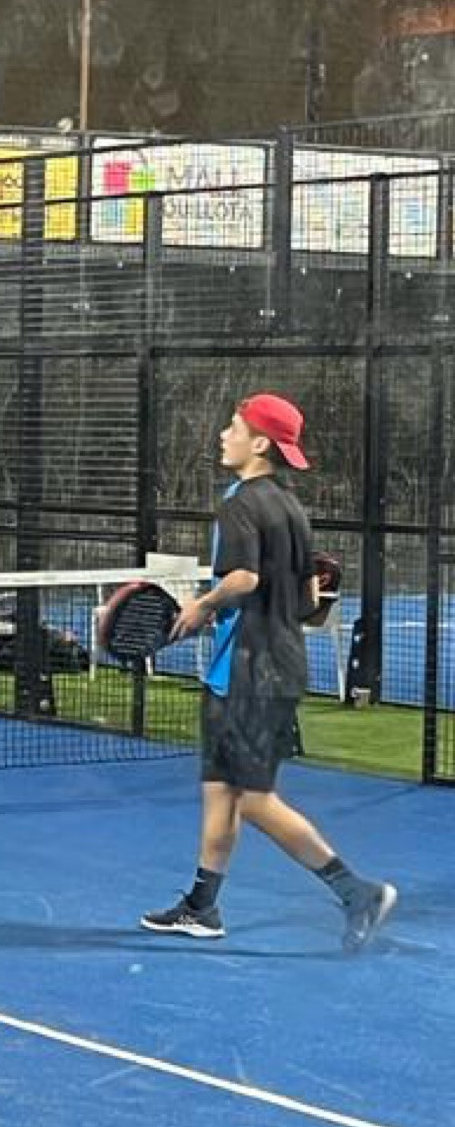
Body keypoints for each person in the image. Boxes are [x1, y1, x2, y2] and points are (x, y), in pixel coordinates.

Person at [140, 392, 396, 951]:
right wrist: (232, 613)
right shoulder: (292, 507)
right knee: (219, 791)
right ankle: (202, 906)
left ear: (259, 444)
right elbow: (309, 601)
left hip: (252, 674)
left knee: (253, 798)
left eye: (233, 428)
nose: (222, 436)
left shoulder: (239, 503)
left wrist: (202, 605)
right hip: (255, 668)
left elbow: (243, 579)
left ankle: (357, 892)